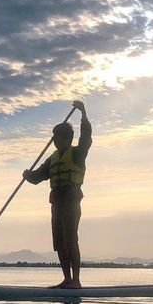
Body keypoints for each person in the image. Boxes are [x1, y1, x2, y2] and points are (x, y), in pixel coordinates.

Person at [23, 100, 92, 288]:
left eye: (57, 137)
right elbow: (38, 177)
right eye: (53, 137)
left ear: (66, 139)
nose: (54, 140)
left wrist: (83, 113)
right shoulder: (51, 159)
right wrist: (27, 175)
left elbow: (86, 137)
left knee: (70, 239)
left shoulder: (78, 153)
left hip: (71, 202)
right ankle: (66, 279)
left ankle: (76, 281)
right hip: (56, 204)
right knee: (59, 243)